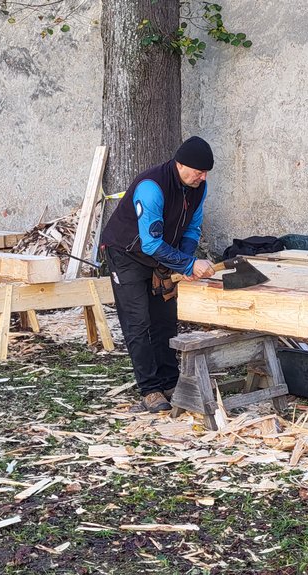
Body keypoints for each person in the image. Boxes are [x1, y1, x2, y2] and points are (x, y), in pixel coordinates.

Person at [100, 136, 218, 413]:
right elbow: (150, 242)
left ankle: (170, 381)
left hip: (161, 255)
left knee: (164, 319)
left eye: (205, 173)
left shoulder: (198, 188)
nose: (202, 177)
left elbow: (191, 229)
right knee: (137, 321)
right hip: (126, 253)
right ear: (180, 164)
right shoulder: (152, 187)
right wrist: (188, 266)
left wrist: (186, 260)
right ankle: (150, 389)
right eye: (198, 172)